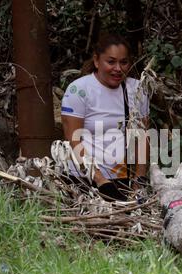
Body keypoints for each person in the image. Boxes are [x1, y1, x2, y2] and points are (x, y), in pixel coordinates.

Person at [61, 34, 150, 201]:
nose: (118, 68)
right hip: (85, 178)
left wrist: (140, 180)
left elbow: (142, 136)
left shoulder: (137, 90)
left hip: (124, 179)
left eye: (123, 62)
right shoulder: (79, 90)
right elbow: (73, 140)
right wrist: (100, 180)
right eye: (111, 62)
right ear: (96, 61)